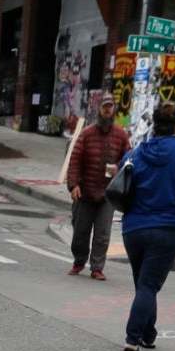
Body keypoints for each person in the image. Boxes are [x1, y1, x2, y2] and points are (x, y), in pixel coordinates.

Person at [115, 100, 175, 351]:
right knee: (149, 285)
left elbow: (122, 184)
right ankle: (133, 337)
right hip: (170, 229)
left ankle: (148, 334)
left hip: (135, 228)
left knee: (144, 283)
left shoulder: (135, 154)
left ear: (155, 124)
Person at [65, 91, 130, 281]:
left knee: (102, 234)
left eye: (111, 107)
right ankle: (79, 261)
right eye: (105, 107)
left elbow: (128, 158)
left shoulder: (121, 135)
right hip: (85, 192)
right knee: (80, 231)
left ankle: (97, 267)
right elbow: (75, 160)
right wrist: (73, 185)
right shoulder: (87, 134)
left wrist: (119, 167)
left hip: (108, 193)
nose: (108, 111)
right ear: (99, 110)